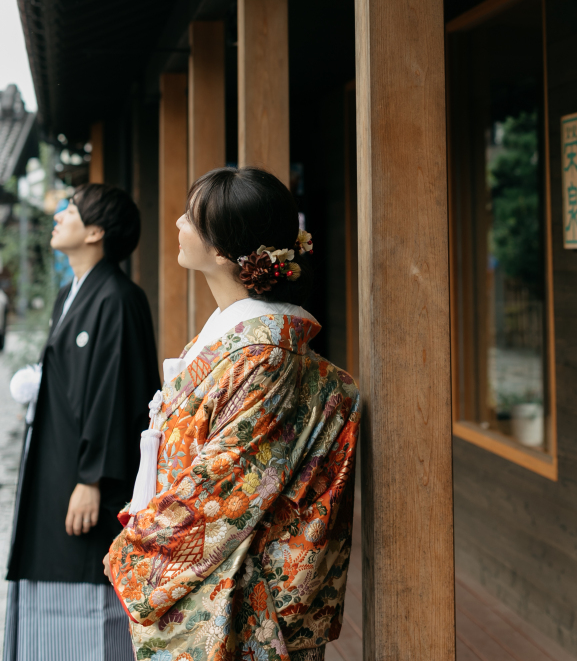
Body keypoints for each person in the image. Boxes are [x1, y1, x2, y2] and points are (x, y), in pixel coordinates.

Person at [105, 166, 360, 661]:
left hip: (237, 598)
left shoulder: (266, 358)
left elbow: (223, 487)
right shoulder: (237, 340)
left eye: (191, 217)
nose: (178, 223)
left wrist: (137, 546)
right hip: (217, 579)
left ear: (223, 252)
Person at [4, 183, 160, 661]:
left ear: (95, 232)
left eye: (69, 209)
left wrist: (93, 478)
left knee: (92, 602)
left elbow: (116, 393)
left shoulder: (118, 297)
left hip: (89, 478)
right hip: (57, 467)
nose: (58, 215)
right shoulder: (72, 292)